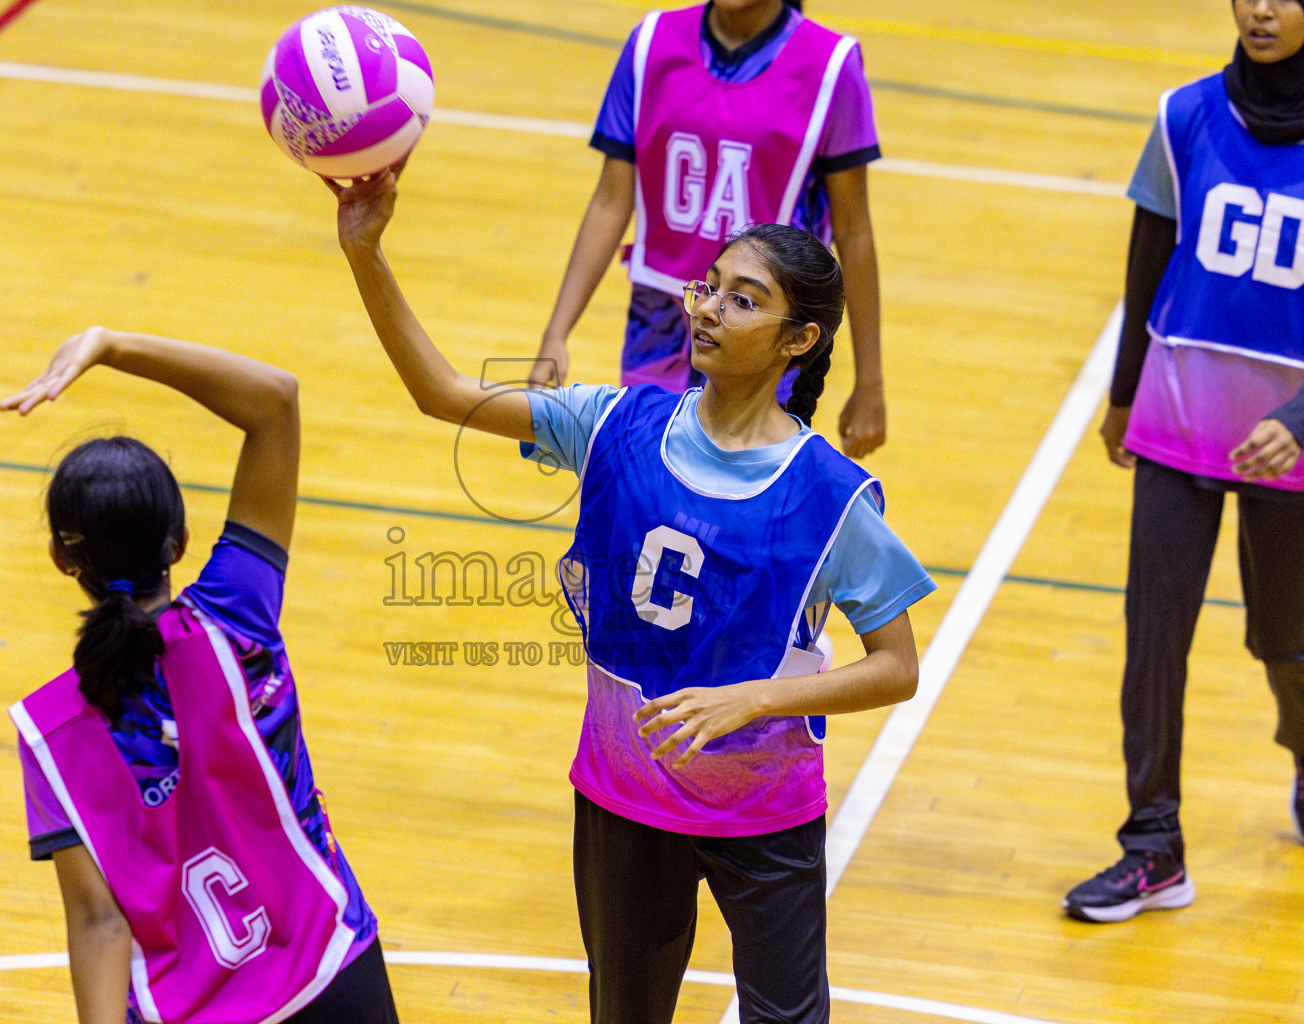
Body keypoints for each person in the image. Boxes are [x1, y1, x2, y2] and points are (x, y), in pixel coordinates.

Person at [328, 167, 934, 1023]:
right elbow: (445, 396)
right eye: (709, 288)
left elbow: (897, 668)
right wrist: (364, 253)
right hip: (624, 797)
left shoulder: (830, 497)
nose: (709, 310)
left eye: (743, 300)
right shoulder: (613, 422)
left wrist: (755, 699)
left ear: (798, 340)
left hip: (765, 809)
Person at [1, 328, 397, 1023]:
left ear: (63, 562)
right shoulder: (237, 619)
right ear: (180, 542)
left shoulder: (53, 733)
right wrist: (111, 345)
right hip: (334, 975)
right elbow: (275, 401)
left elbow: (98, 925)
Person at [1063, 0, 1304, 925]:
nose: (1261, 9)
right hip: (1181, 418)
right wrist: (1124, 396)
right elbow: (1147, 264)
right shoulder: (1185, 116)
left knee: (1284, 642)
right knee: (1154, 638)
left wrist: (1303, 420)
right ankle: (1152, 846)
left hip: (1293, 437)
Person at [529, 0, 888, 460]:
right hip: (660, 321)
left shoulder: (832, 65)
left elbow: (854, 231)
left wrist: (870, 380)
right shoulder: (650, 43)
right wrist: (556, 334)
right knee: (643, 480)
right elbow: (609, 201)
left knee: (738, 502)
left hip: (761, 332)